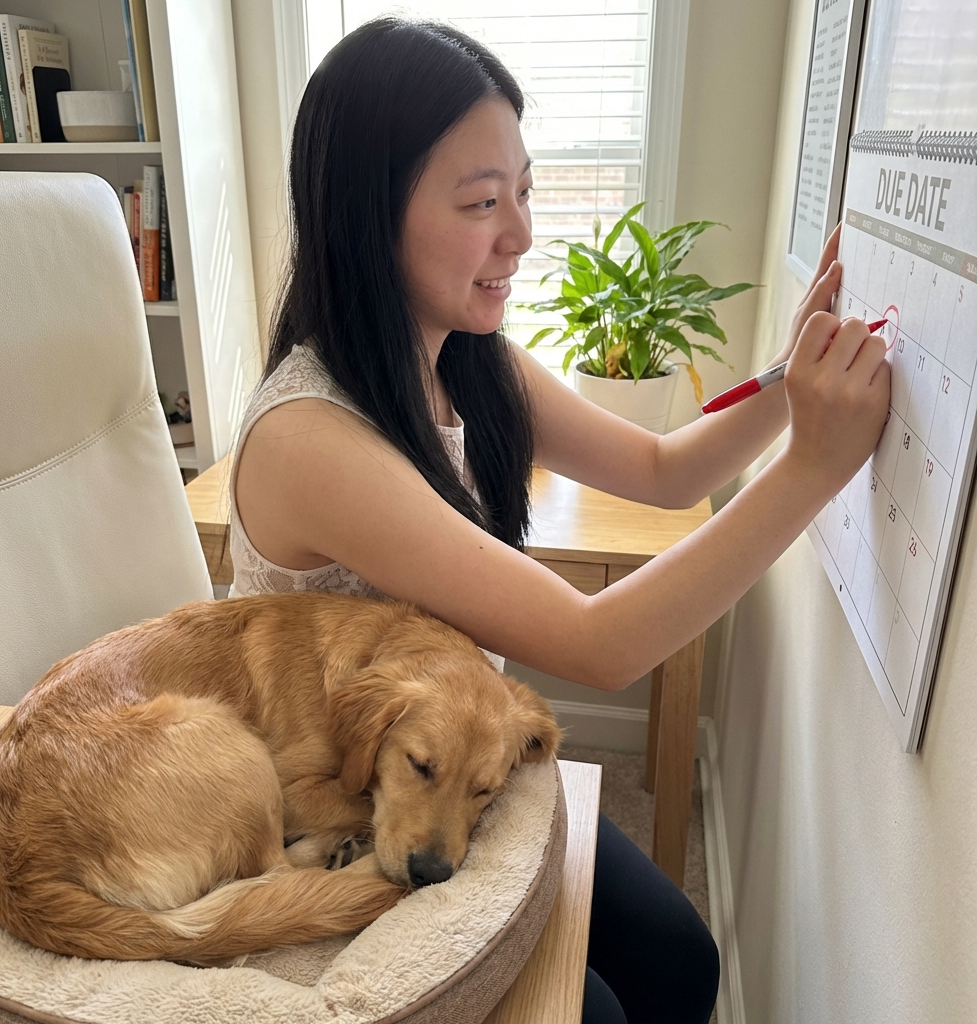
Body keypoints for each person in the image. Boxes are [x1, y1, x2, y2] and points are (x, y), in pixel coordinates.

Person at [228, 18, 890, 1024]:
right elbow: (601, 644)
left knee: (677, 958)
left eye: (524, 191)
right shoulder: (311, 435)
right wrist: (811, 470)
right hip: (331, 796)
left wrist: (790, 378)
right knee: (598, 1009)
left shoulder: (466, 355)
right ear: (368, 216)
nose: (523, 234)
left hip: (449, 758)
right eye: (482, 202)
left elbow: (664, 470)